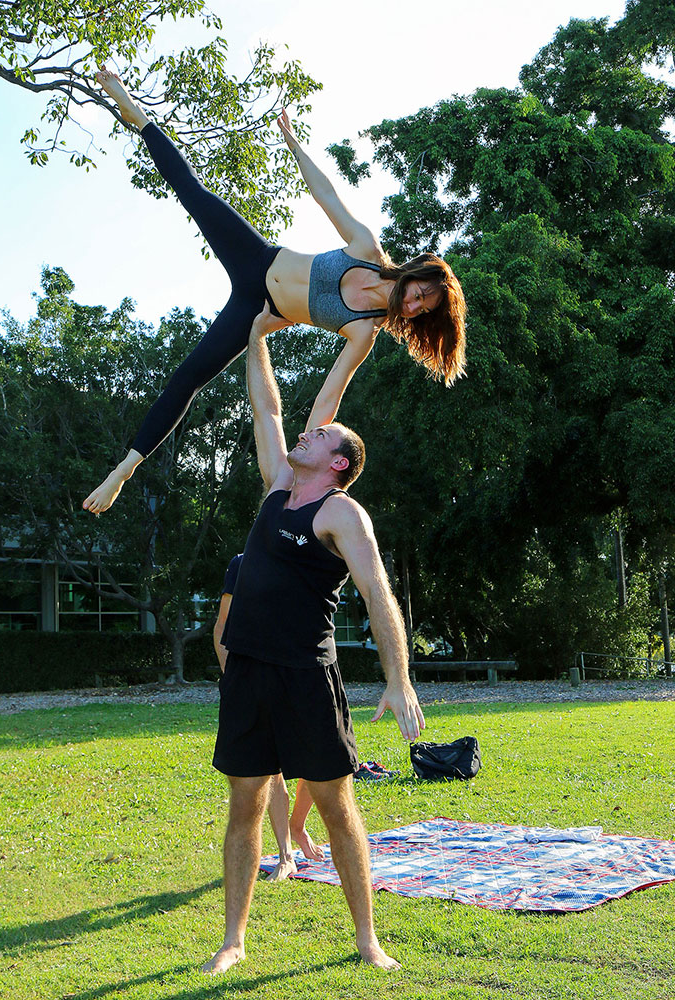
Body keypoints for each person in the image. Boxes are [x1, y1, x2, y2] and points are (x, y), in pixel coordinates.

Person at [82, 68, 467, 515]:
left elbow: (330, 395)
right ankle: (136, 112)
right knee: (192, 191)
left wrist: (305, 459)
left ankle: (123, 471)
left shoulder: (365, 330)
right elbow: (325, 195)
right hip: (257, 258)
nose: (414, 304)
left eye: (422, 308)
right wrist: (294, 143)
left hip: (255, 309)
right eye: (420, 293)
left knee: (190, 377)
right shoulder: (367, 249)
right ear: (416, 274)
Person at [202, 303, 425, 975]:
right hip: (248, 674)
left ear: (339, 462)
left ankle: (366, 940)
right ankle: (234, 941)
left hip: (306, 677)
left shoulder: (341, 512)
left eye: (321, 435)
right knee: (245, 805)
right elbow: (265, 410)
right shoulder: (278, 489)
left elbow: (378, 595)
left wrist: (399, 677)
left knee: (336, 806)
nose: (306, 433)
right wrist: (255, 337)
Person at [214, 554, 324, 882]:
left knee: (320, 764)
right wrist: (231, 677)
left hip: (300, 674)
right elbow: (222, 625)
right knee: (270, 773)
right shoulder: (241, 564)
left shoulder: (305, 560)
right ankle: (286, 855)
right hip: (252, 680)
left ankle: (298, 828)